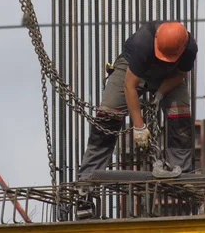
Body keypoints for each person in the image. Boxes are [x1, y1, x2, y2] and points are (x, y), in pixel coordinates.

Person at [78, 20, 198, 179]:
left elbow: (180, 75)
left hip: (169, 75)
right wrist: (139, 126)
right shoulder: (143, 42)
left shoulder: (189, 48)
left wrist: (160, 94)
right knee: (108, 115)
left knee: (180, 115)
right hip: (131, 69)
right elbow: (130, 86)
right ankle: (88, 174)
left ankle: (181, 172)